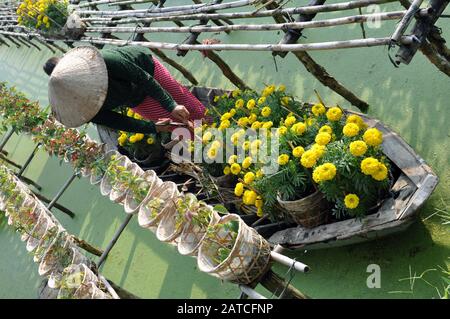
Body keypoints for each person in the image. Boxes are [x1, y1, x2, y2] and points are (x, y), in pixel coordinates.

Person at [44, 45, 206, 136]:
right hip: (132, 98)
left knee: (185, 106)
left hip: (147, 71)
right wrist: (152, 127)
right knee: (174, 125)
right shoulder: (80, 107)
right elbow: (117, 121)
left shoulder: (103, 61)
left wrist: (171, 105)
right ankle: (208, 148)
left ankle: (219, 129)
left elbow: (142, 78)